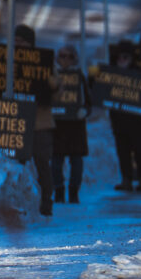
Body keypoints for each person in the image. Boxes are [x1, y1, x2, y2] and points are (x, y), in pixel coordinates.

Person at [14, 24, 59, 216]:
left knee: (42, 164)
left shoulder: (43, 64)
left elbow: (56, 91)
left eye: (21, 41)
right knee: (16, 164)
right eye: (15, 41)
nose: (18, 44)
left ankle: (46, 202)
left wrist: (50, 81)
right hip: (16, 122)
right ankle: (16, 202)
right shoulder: (7, 61)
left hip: (40, 123)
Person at [51, 45, 91, 204]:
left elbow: (89, 101)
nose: (65, 60)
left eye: (69, 56)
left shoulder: (80, 76)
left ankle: (74, 192)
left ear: (74, 58)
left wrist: (84, 111)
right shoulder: (53, 75)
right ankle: (59, 191)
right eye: (62, 56)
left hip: (76, 125)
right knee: (55, 161)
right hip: (57, 124)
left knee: (76, 161)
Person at [110, 39, 141, 192]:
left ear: (131, 58)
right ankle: (126, 179)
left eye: (125, 57)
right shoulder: (111, 73)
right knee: (123, 152)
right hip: (119, 121)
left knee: (140, 152)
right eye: (119, 57)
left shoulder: (140, 74)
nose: (122, 60)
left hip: (137, 122)